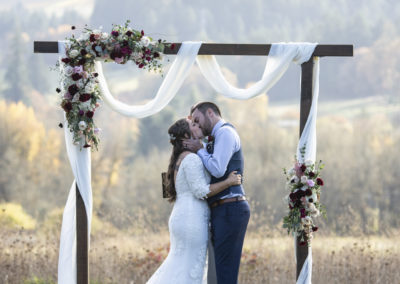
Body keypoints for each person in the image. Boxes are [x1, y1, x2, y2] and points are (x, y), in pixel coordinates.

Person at [147, 118, 242, 284]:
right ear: (185, 135)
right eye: (193, 125)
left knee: (180, 265)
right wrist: (228, 182)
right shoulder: (191, 159)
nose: (197, 127)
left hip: (182, 216)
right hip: (192, 219)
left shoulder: (178, 159)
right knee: (189, 269)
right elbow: (201, 191)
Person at [184, 102, 250, 284]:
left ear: (210, 113)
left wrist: (199, 149)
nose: (197, 125)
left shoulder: (226, 133)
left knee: (225, 272)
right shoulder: (208, 143)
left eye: (197, 120)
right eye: (193, 124)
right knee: (220, 273)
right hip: (221, 209)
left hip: (230, 207)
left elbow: (218, 169)